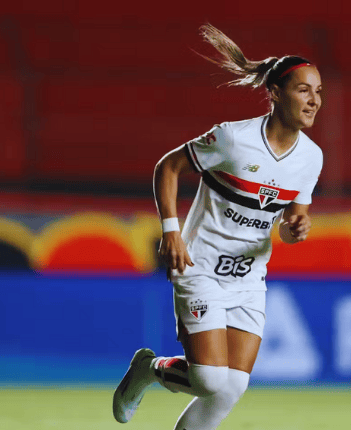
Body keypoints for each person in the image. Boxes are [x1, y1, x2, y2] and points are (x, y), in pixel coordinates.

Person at [112, 24, 323, 430]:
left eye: (318, 92)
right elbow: (168, 167)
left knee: (232, 387)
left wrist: (295, 229)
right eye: (303, 90)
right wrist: (171, 231)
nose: (314, 100)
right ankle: (148, 369)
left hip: (249, 277)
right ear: (275, 93)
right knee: (210, 379)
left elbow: (289, 222)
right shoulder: (233, 138)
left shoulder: (311, 158)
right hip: (200, 265)